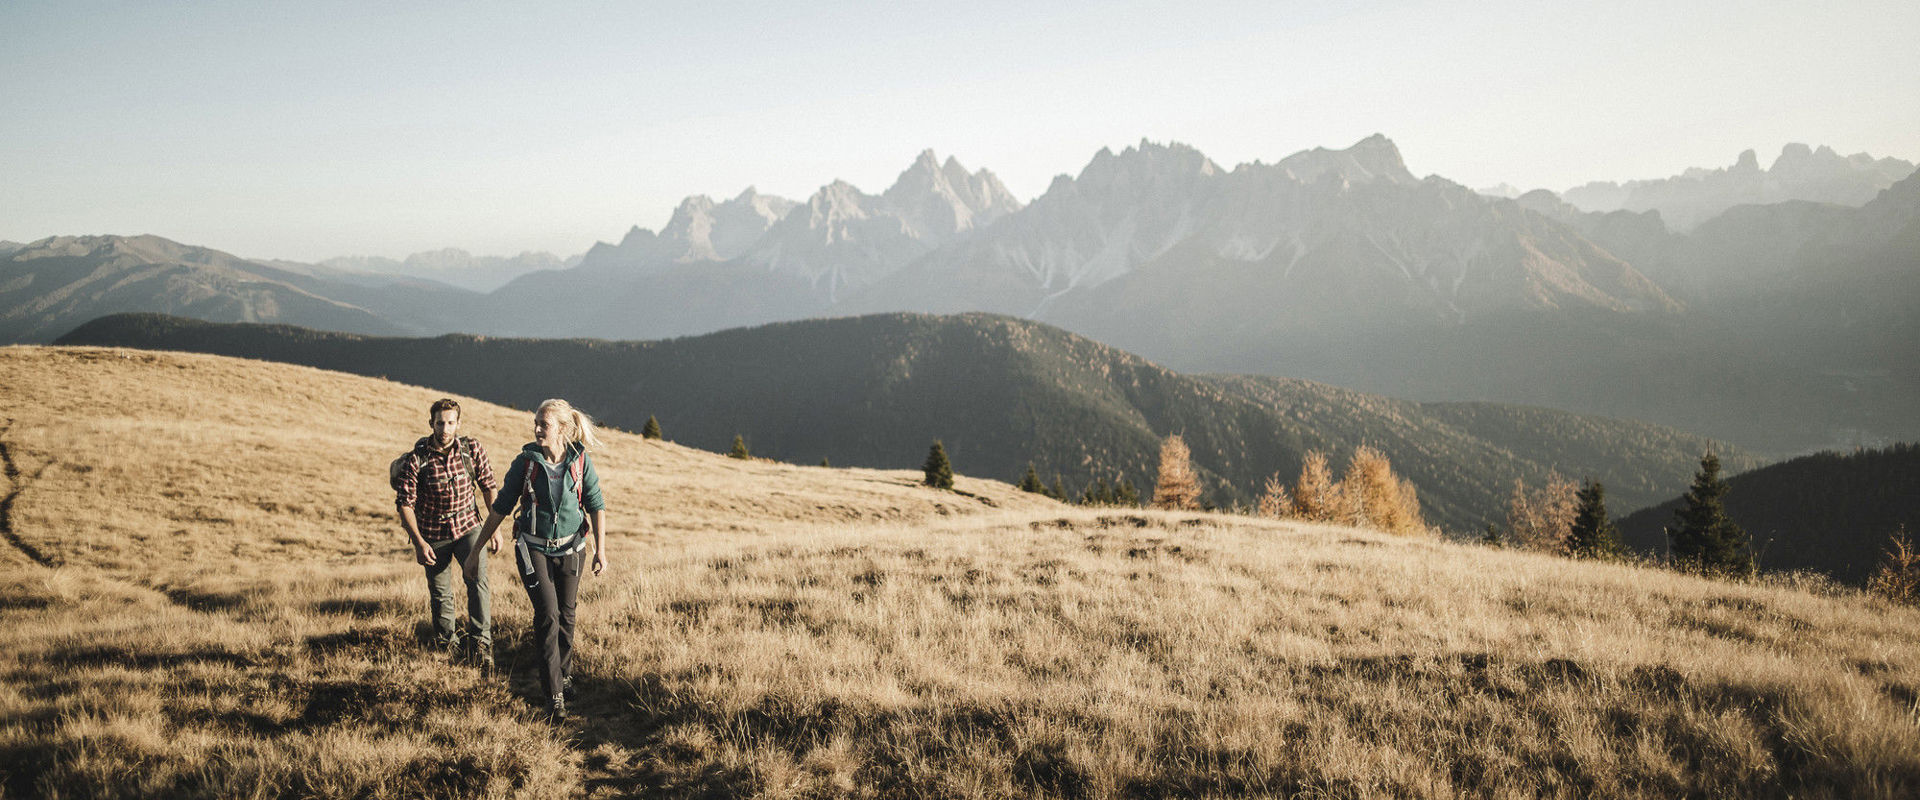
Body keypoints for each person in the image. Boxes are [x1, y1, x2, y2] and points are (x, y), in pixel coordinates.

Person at [469, 398, 607, 719]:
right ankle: (554, 695)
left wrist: (601, 550)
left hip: (572, 548)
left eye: (543, 424)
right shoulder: (525, 462)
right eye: (536, 423)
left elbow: (596, 504)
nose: (536, 429)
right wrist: (475, 551)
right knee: (548, 615)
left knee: (567, 615)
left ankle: (565, 674)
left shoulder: (580, 461)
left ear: (561, 429)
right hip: (533, 548)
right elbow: (501, 507)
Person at [395, 398, 500, 669]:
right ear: (431, 424)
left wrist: (494, 528)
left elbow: (489, 486)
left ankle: (481, 646)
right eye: (440, 423)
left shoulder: (471, 449)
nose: (445, 428)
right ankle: (447, 647)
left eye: (450, 422)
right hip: (433, 533)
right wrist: (419, 543)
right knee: (440, 592)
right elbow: (405, 503)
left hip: (469, 527)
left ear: (458, 424)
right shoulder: (416, 460)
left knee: (478, 583)